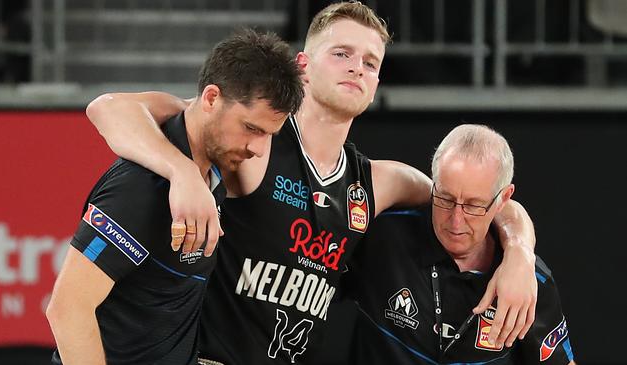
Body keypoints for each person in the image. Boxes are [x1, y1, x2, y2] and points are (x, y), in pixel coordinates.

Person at [84, 3, 538, 364]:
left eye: (370, 62)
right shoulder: (254, 141)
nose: (357, 68)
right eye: (341, 54)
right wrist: (181, 170)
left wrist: (519, 255)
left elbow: (483, 202)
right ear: (303, 65)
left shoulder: (379, 181)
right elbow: (108, 108)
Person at [44, 29, 304, 365]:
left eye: (269, 134)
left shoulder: (213, 175)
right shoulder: (140, 187)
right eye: (251, 128)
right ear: (211, 99)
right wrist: (181, 172)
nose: (257, 148)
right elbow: (67, 310)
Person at [346, 124, 575, 364]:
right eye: (445, 198)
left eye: (474, 206)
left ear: (503, 199)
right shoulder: (384, 238)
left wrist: (521, 252)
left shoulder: (527, 281)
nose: (456, 220)